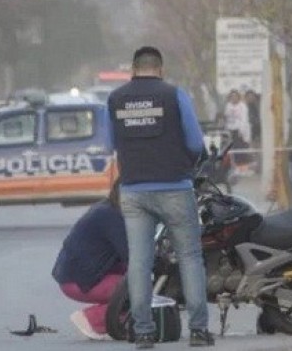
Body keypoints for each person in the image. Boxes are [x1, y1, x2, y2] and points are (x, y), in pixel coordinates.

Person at [107, 46, 214, 349]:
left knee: (140, 262)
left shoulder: (115, 99)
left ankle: (143, 332)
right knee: (190, 257)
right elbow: (195, 143)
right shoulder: (174, 94)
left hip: (133, 190)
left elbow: (109, 144)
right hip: (175, 187)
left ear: (133, 68)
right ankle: (198, 331)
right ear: (160, 69)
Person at [52, 181, 127, 341]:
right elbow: (133, 257)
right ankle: (92, 319)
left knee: (140, 284)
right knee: (142, 288)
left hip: (76, 275)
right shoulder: (112, 217)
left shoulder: (106, 208)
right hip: (81, 280)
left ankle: (114, 318)